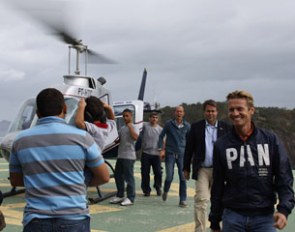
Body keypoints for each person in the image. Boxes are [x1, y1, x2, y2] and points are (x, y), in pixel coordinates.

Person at [9, 88, 110, 232]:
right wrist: (78, 184)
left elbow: (16, 181)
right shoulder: (83, 137)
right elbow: (104, 177)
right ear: (64, 108)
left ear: (37, 113)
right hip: (74, 219)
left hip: (36, 220)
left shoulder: (20, 140)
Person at [209, 90, 295, 232]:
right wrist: (214, 220)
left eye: (240, 109)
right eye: (231, 110)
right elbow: (217, 185)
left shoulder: (270, 140)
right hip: (232, 216)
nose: (235, 113)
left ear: (251, 110)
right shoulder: (221, 145)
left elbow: (284, 176)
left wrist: (284, 209)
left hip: (264, 217)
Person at [183, 99, 231, 232]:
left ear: (217, 112)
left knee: (219, 201)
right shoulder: (196, 127)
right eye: (208, 111)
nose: (210, 113)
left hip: (219, 171)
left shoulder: (226, 128)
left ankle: (217, 227)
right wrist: (186, 168)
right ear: (204, 112)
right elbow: (189, 149)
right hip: (202, 169)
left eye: (213, 111)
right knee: (201, 200)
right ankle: (200, 230)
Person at [75, 96, 117, 185]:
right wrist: (108, 108)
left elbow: (79, 122)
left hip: (86, 163)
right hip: (95, 160)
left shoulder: (93, 128)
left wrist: (81, 106)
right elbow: (112, 121)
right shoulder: (106, 127)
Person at [158, 105, 190, 207]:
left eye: (181, 112)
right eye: (177, 111)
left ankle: (182, 200)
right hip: (170, 153)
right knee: (169, 176)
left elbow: (190, 140)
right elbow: (161, 136)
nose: (179, 113)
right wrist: (161, 149)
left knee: (183, 178)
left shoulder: (187, 126)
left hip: (182, 154)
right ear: (174, 113)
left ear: (183, 113)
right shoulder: (169, 124)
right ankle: (166, 190)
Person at [110, 109, 139, 206]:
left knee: (128, 177)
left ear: (131, 116)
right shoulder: (122, 129)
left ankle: (131, 197)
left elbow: (135, 138)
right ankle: (120, 195)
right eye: (124, 116)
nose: (125, 118)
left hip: (129, 156)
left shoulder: (134, 126)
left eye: (127, 116)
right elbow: (117, 141)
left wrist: (130, 127)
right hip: (120, 155)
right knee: (118, 175)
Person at [136, 111, 163, 197]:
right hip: (146, 153)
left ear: (158, 119)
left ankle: (158, 186)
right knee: (145, 173)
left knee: (158, 172)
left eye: (156, 117)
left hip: (156, 154)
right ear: (149, 118)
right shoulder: (144, 126)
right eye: (152, 117)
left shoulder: (160, 129)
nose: (154, 119)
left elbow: (164, 141)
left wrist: (163, 151)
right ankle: (146, 190)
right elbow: (137, 124)